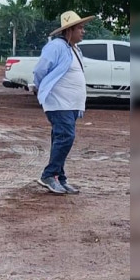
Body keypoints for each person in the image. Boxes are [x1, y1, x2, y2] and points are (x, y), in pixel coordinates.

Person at [33, 10, 94, 195]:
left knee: (60, 138)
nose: (83, 31)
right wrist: (41, 88)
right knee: (66, 137)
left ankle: (60, 177)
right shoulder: (57, 46)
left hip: (71, 104)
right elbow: (39, 70)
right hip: (59, 103)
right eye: (80, 28)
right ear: (69, 30)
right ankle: (49, 175)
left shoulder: (74, 48)